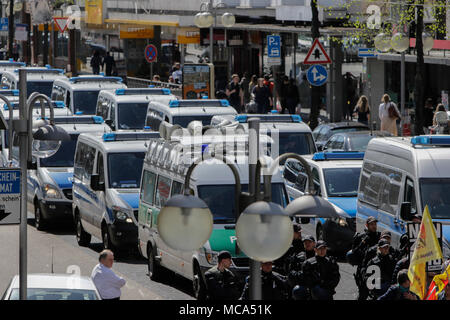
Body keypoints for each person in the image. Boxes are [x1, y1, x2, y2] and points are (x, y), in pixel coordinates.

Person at [350, 216, 381, 300]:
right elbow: (354, 253)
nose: (374, 226)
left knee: (377, 294)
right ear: (367, 225)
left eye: (375, 224)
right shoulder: (361, 237)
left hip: (376, 269)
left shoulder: (379, 236)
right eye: (371, 224)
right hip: (364, 269)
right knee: (363, 294)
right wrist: (363, 243)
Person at [289, 235, 316, 300]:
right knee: (297, 290)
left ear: (314, 243)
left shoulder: (319, 256)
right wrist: (301, 274)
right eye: (305, 242)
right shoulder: (298, 256)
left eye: (309, 242)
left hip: (315, 286)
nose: (307, 244)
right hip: (303, 285)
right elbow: (291, 273)